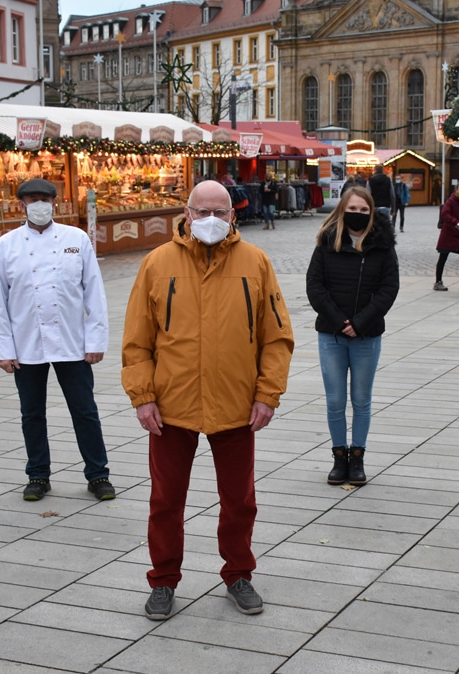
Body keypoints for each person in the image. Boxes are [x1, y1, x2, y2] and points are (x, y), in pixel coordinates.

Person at [121, 180, 294, 621]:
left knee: (239, 500)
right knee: (165, 502)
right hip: (170, 407)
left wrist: (267, 395)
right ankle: (163, 580)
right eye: (203, 212)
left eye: (220, 212)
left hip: (236, 405)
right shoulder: (157, 265)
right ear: (187, 212)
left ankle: (238, 573)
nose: (211, 220)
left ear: (234, 214)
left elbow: (277, 338)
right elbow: (137, 343)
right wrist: (143, 397)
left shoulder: (256, 263)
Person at [0, 178, 115, 502]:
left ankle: (98, 474)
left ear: (54, 203)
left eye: (44, 199)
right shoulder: (6, 245)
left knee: (84, 410)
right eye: (32, 199)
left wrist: (96, 340)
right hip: (26, 343)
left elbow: (94, 293)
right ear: (21, 205)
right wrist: (3, 348)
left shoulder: (77, 239)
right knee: (32, 413)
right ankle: (38, 475)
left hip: (71, 342)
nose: (39, 204)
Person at [306, 187, 399, 486]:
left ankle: (357, 457)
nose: (357, 214)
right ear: (342, 209)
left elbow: (389, 289)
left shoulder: (382, 246)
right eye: (353, 209)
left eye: (364, 210)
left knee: (361, 400)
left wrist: (360, 323)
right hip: (331, 335)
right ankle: (338, 457)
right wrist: (338, 321)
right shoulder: (326, 242)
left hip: (367, 336)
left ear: (372, 213)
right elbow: (315, 286)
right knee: (335, 400)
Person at [434, 181, 459, 291]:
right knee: (443, 256)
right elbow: (445, 214)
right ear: (456, 190)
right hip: (448, 233)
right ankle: (438, 282)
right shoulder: (451, 201)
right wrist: (456, 222)